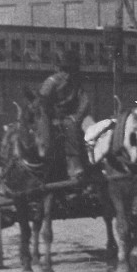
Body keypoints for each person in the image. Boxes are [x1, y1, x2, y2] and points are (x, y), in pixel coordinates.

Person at [37, 47, 91, 180]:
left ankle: (96, 158)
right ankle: (74, 162)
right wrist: (53, 118)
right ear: (59, 69)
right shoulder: (51, 82)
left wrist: (77, 117)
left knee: (93, 127)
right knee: (68, 127)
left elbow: (85, 101)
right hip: (51, 117)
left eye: (71, 69)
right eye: (65, 69)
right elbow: (43, 103)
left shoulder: (76, 83)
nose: (68, 74)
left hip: (72, 117)